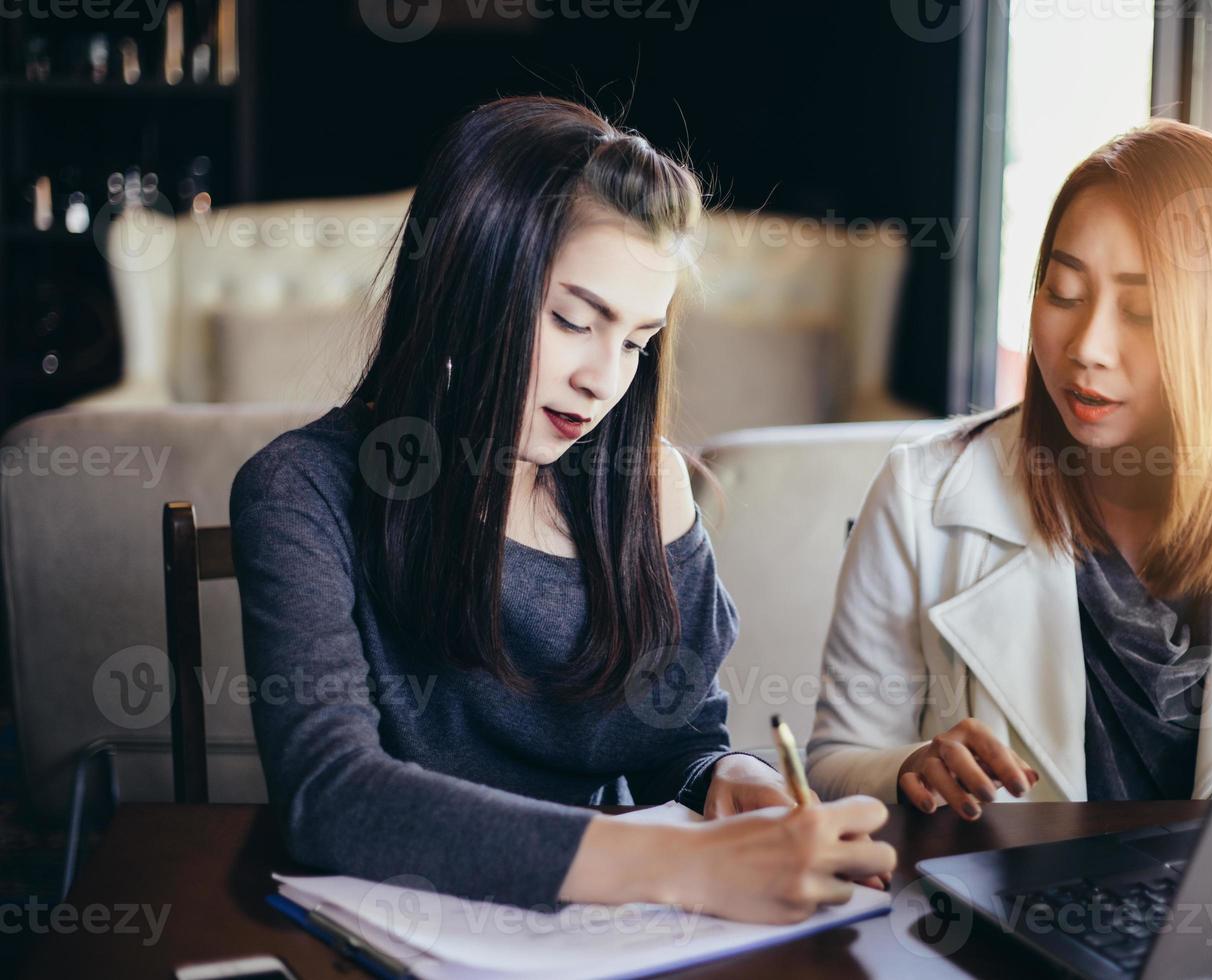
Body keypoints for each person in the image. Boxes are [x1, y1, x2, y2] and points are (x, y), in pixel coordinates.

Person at [231, 96, 894, 924]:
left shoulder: (643, 489)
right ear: (464, 284)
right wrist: (681, 865)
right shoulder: (302, 491)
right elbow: (332, 796)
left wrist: (734, 784)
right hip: (392, 934)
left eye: (636, 342)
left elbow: (675, 744)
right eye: (574, 320)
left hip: (591, 939)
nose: (603, 380)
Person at [807, 119, 1212, 816]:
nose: (1088, 347)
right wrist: (907, 771)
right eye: (1064, 294)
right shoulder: (923, 494)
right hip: (1002, 919)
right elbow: (832, 764)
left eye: (1141, 310)